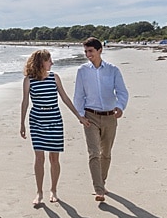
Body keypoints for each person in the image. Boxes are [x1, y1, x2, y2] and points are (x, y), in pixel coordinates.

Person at [20, 49, 81, 208]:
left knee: (54, 158)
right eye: (49, 60)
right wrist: (22, 123)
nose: (52, 63)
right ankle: (39, 192)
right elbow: (25, 102)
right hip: (37, 120)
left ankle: (53, 190)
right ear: (41, 62)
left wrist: (78, 116)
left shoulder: (54, 78)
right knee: (39, 158)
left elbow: (65, 98)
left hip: (54, 119)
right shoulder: (29, 80)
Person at [73, 37, 129, 203]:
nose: (88, 54)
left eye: (90, 51)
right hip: (90, 116)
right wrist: (80, 115)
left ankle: (102, 182)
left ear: (99, 50)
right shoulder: (82, 71)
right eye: (85, 52)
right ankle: (98, 189)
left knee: (106, 153)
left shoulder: (113, 70)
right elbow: (78, 95)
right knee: (94, 153)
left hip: (110, 116)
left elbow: (122, 92)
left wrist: (120, 107)